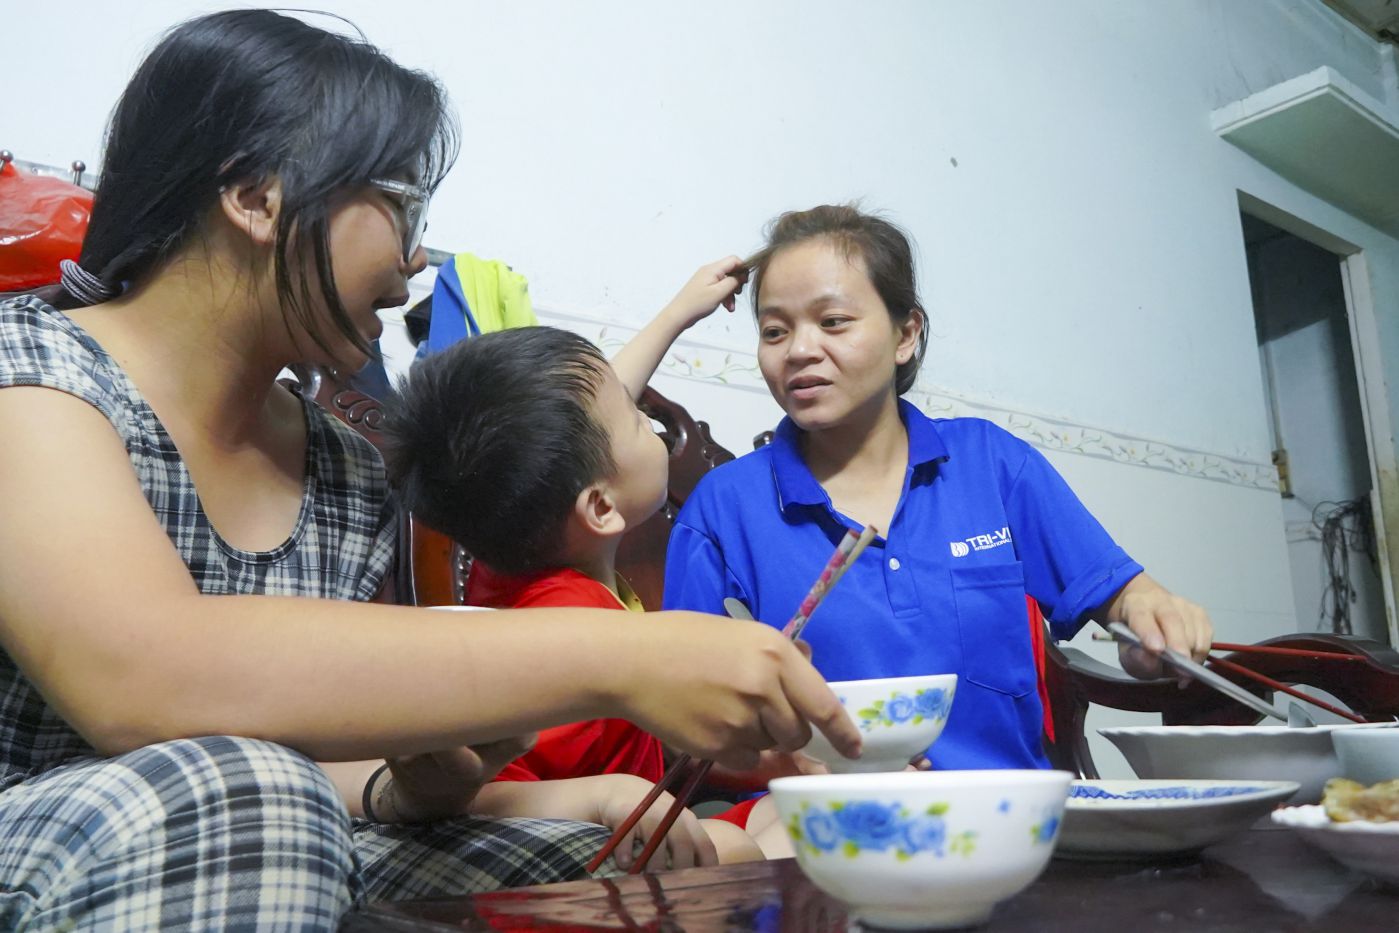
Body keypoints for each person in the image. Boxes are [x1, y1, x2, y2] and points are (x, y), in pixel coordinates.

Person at [0, 13, 860, 929]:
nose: (414, 258)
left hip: (276, 823)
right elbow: (145, 680)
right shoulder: (35, 375)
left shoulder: (340, 466)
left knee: (628, 863)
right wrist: (629, 653)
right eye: (400, 202)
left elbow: (318, 764)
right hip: (52, 836)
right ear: (257, 193)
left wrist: (406, 780)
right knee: (246, 792)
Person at [663, 204, 1213, 771]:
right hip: (828, 835)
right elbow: (685, 725)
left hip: (1010, 824)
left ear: (906, 334)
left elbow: (1125, 598)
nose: (799, 349)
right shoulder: (723, 509)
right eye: (775, 331)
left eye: (832, 322)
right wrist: (809, 767)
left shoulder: (991, 464)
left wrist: (1152, 619)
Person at [382, 263, 791, 867]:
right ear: (599, 506)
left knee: (793, 805)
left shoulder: (525, 565)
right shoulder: (565, 626)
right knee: (750, 844)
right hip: (557, 856)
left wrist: (680, 310)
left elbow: (582, 428)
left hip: (630, 818)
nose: (652, 426)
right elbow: (472, 801)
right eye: (639, 423)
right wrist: (600, 798)